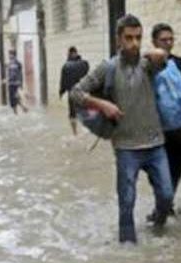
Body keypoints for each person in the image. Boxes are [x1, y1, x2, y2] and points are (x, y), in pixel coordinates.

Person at [70, 14, 174, 244]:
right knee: (126, 204)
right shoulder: (108, 68)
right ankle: (128, 251)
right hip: (126, 147)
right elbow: (75, 93)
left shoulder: (148, 64)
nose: (134, 43)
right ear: (118, 39)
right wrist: (102, 105)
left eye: (138, 38)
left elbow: (162, 57)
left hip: (155, 143)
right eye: (129, 38)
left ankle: (157, 226)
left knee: (167, 196)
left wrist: (159, 53)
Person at [148, 23, 181, 218]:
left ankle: (164, 208)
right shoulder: (146, 67)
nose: (169, 43)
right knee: (155, 173)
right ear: (154, 42)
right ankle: (163, 204)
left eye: (171, 39)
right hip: (156, 132)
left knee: (175, 169)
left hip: (179, 133)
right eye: (164, 40)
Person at [59, 46, 90, 134]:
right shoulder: (84, 64)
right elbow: (88, 76)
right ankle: (86, 131)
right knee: (84, 112)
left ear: (70, 53)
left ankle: (75, 133)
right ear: (76, 53)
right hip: (82, 92)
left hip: (72, 94)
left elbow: (63, 81)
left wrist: (61, 92)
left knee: (72, 115)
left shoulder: (66, 66)